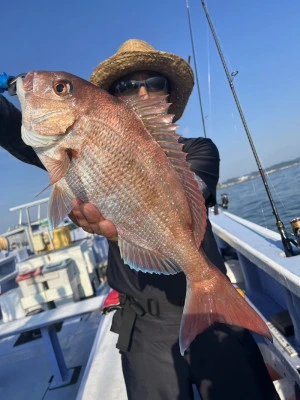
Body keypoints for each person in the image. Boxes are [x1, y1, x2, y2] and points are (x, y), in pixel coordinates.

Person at [0, 39, 279, 400]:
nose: (143, 90)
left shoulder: (198, 149)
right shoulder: (66, 144)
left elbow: (193, 187)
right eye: (128, 86)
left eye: (156, 83)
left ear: (168, 95)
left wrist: (133, 214)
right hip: (143, 325)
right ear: (112, 98)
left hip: (213, 309)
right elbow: (16, 133)